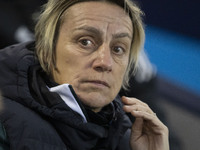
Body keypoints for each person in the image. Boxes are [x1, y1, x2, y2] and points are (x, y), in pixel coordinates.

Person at [0, 0, 169, 149]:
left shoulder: (130, 140)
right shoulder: (5, 125)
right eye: (85, 42)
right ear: (46, 51)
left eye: (118, 49)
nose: (105, 62)